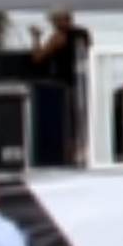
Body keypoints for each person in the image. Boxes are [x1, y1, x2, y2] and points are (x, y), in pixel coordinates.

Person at [30, 10, 92, 163]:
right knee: (81, 117)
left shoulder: (60, 37)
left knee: (69, 118)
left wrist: (36, 38)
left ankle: (72, 151)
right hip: (81, 80)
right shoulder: (82, 34)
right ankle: (81, 149)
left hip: (66, 84)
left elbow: (38, 58)